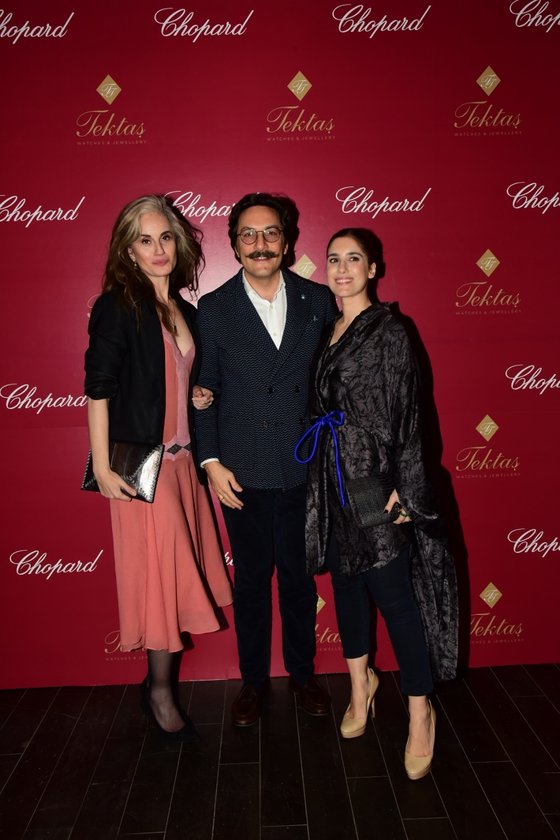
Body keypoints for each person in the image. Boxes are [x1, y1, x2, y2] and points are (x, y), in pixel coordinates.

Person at [296, 228, 458, 780]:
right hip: (332, 480)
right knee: (346, 588)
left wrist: (405, 488)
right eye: (334, 259)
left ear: (373, 269)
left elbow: (411, 415)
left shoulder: (390, 331)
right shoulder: (329, 330)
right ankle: (360, 686)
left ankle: (420, 712)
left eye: (353, 259)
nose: (342, 269)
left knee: (394, 598)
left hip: (373, 482)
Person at [84, 194, 232, 741]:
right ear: (129, 250)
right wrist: (103, 466)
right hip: (142, 470)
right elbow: (99, 389)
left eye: (165, 237)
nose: (158, 249)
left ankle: (156, 687)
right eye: (144, 240)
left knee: (170, 580)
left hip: (184, 465)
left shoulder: (185, 311)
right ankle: (160, 694)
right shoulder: (117, 306)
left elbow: (167, 378)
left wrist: (196, 396)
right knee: (160, 583)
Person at [194, 192, 337, 726]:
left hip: (304, 465)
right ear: (234, 245)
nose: (260, 244)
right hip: (241, 471)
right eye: (248, 235)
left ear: (287, 240)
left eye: (270, 233)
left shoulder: (317, 300)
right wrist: (210, 461)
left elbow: (332, 383)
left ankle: (301, 674)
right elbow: (202, 391)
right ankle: (253, 682)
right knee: (252, 582)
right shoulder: (214, 308)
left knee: (299, 580)